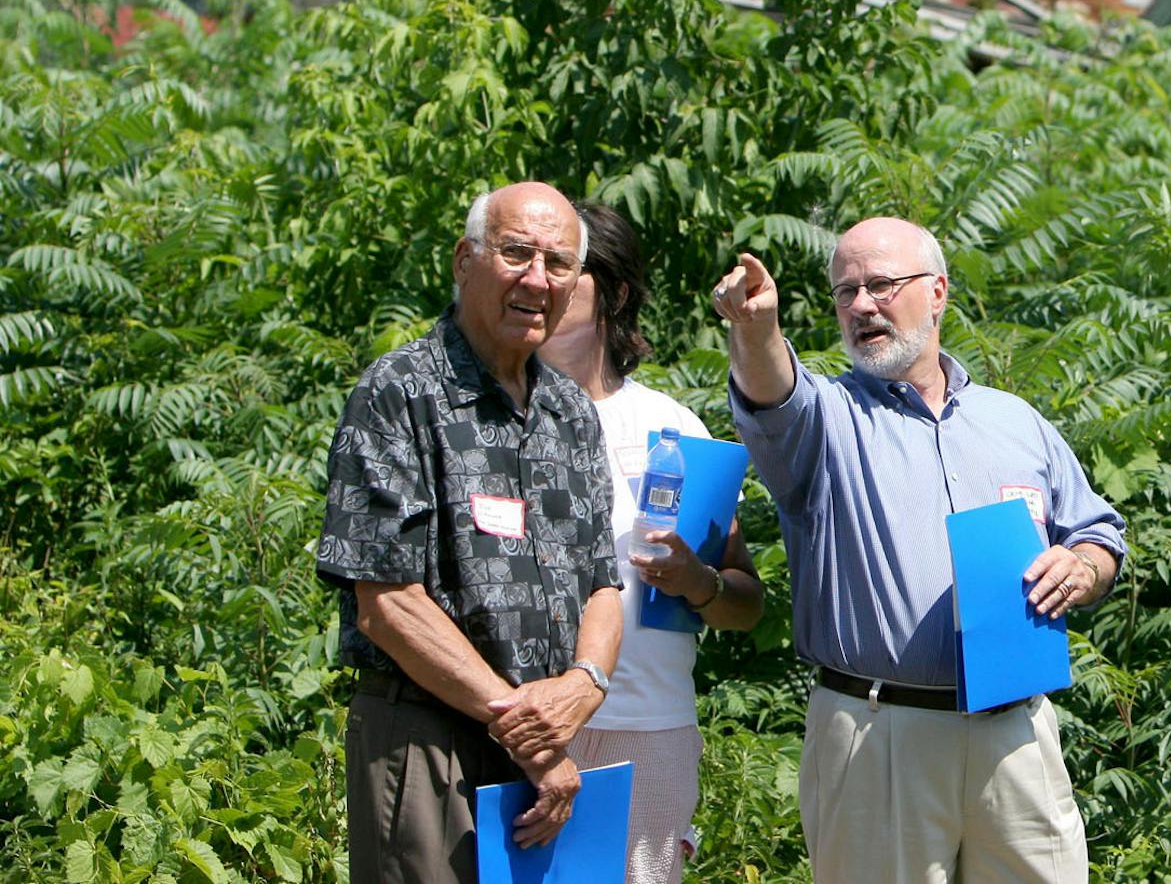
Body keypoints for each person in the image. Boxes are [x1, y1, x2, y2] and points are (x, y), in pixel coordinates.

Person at [710, 217, 1127, 884]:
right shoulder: (825, 418)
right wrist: (757, 327)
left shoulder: (1014, 419)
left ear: (937, 292)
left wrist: (1082, 567)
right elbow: (771, 389)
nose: (861, 305)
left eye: (881, 284)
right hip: (880, 734)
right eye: (845, 292)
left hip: (1016, 734)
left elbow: (1100, 533)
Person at [316, 181, 623, 884]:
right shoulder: (399, 391)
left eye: (558, 263)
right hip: (431, 744)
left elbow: (604, 581)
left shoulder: (570, 411)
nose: (537, 279)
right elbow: (387, 601)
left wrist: (586, 682)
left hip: (545, 753)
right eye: (517, 253)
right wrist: (525, 729)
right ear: (464, 259)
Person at [541, 200, 764, 884]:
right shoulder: (490, 418)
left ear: (616, 292)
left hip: (649, 727)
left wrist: (697, 581)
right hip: (525, 717)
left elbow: (745, 599)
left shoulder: (670, 424)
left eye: (565, 268)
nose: (541, 284)